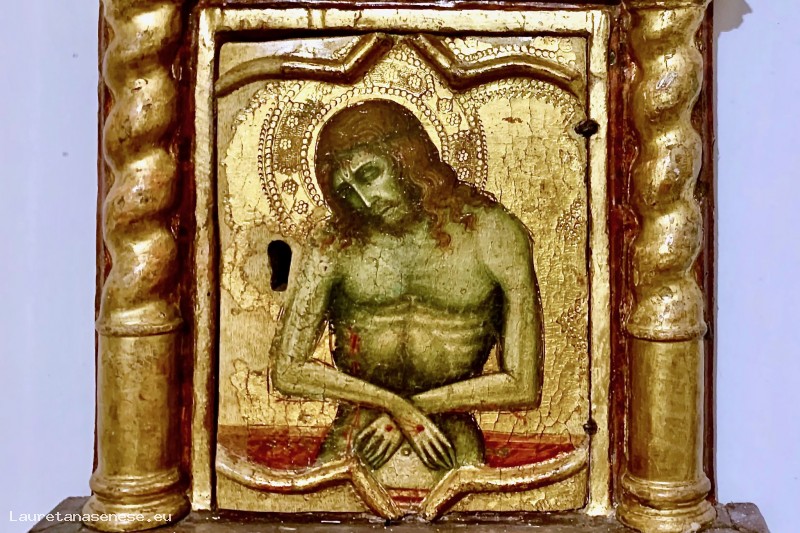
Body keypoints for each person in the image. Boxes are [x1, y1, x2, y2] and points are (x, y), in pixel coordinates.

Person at [271, 99, 543, 472]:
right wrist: (393, 405)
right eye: (347, 191)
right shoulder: (333, 244)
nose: (365, 201)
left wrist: (411, 412)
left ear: (405, 157)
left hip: (450, 450)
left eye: (370, 174)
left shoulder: (493, 233)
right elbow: (287, 370)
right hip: (354, 446)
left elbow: (522, 384)